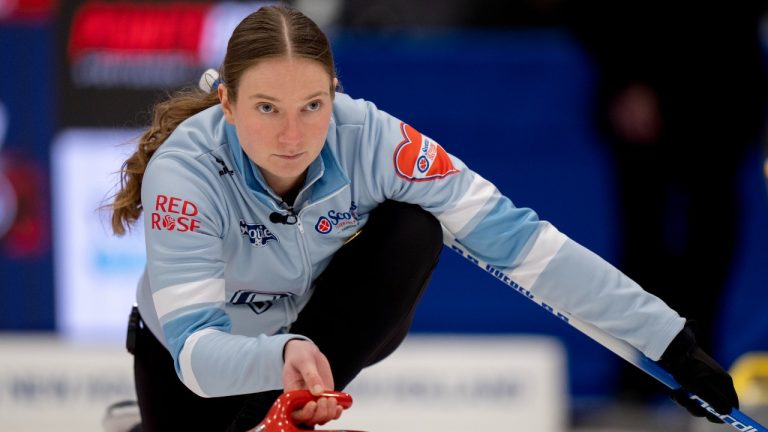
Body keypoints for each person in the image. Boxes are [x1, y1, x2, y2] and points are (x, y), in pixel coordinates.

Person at [109, 5, 740, 431]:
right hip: (189, 375)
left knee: (415, 226)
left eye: (312, 105)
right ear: (227, 101)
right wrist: (287, 354)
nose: (293, 135)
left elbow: (522, 243)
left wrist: (669, 341)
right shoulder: (186, 169)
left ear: (336, 92)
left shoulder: (375, 139)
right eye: (267, 108)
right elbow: (195, 350)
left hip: (317, 344)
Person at [564, 0, 768, 404]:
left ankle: (701, 369)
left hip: (727, 89)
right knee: (643, 238)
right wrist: (626, 76)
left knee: (713, 234)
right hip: (644, 90)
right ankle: (641, 373)